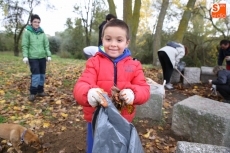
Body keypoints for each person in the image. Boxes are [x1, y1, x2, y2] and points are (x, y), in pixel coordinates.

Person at [73, 19, 150, 153]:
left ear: (127, 42)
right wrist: (89, 94)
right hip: (96, 120)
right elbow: (81, 85)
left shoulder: (134, 65)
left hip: (123, 119)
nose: (113, 44)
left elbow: (144, 89)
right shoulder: (93, 62)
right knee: (95, 148)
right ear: (102, 39)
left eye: (119, 40)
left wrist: (133, 94)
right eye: (108, 39)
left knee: (119, 148)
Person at [21, 14, 51, 102]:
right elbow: (25, 45)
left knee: (42, 75)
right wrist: (25, 56)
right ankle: (33, 93)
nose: (37, 23)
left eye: (38, 22)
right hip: (32, 57)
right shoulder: (27, 32)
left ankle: (40, 91)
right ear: (31, 22)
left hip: (42, 57)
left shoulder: (42, 33)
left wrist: (48, 55)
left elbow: (46, 45)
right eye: (35, 22)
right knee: (36, 75)